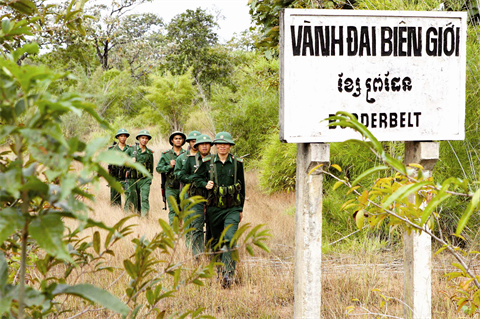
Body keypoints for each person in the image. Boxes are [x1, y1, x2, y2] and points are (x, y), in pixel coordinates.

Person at [193, 132, 245, 288]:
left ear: (230, 146)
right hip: (213, 209)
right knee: (216, 242)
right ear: (215, 146)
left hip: (232, 209)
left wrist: (240, 209)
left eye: (226, 144)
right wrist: (205, 184)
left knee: (229, 239)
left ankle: (229, 274)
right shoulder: (208, 162)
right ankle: (219, 271)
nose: (222, 146)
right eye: (219, 144)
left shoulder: (237, 163)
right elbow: (196, 178)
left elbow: (242, 188)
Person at [178, 134, 213, 257]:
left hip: (212, 199)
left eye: (207, 144)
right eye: (201, 144)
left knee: (212, 227)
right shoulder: (191, 160)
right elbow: (181, 176)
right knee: (197, 226)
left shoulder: (214, 160)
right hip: (196, 198)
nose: (204, 146)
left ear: (210, 146)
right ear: (197, 146)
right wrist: (194, 178)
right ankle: (197, 256)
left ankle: (211, 254)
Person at [156, 131, 186, 224]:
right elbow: (158, 169)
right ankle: (173, 233)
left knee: (183, 211)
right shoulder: (166, 154)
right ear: (172, 140)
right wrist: (169, 166)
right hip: (170, 187)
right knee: (173, 211)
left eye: (180, 138)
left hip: (184, 187)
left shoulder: (186, 154)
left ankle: (182, 232)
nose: (178, 140)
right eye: (176, 138)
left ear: (183, 140)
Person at [125, 130, 154, 217]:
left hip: (144, 179)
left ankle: (145, 218)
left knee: (144, 199)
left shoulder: (149, 153)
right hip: (132, 179)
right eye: (142, 138)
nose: (144, 140)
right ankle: (130, 217)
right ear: (138, 139)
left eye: (146, 138)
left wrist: (149, 180)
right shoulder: (130, 150)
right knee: (132, 199)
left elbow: (151, 168)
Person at [108, 128, 132, 209]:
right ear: (118, 137)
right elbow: (109, 164)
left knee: (129, 194)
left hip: (126, 176)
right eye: (121, 136)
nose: (123, 138)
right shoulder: (112, 149)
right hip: (115, 176)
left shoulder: (130, 149)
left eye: (125, 136)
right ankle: (116, 214)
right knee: (115, 198)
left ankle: (127, 212)